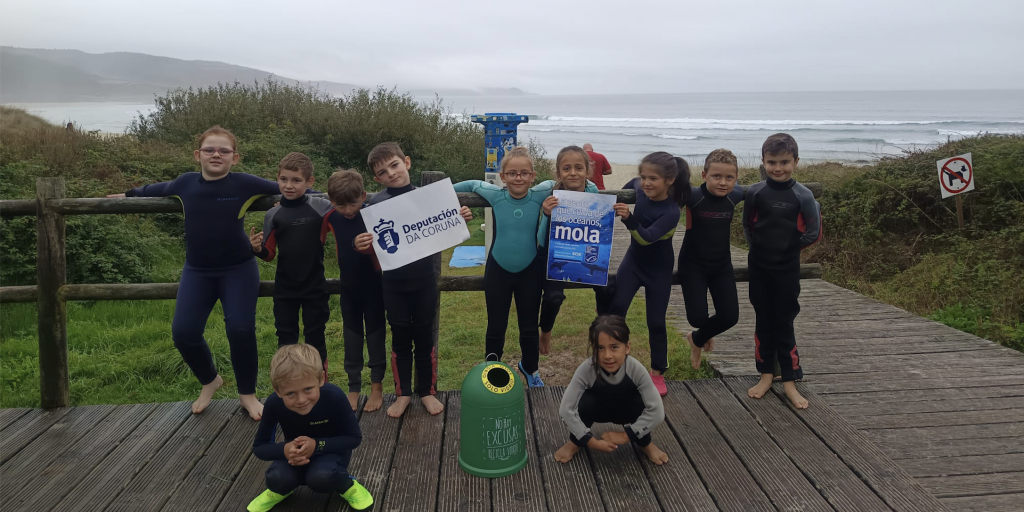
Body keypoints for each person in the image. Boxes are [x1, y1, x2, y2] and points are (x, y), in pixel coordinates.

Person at [108, 125, 280, 421]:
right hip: (198, 270)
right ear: (197, 155)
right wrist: (126, 194)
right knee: (184, 333)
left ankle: (247, 394)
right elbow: (153, 190)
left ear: (235, 158)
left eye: (224, 151)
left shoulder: (244, 184)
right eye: (210, 150)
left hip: (238, 268)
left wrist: (339, 197)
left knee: (240, 329)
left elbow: (292, 188)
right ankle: (210, 380)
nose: (216, 154)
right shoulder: (185, 184)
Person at [357, 142, 472, 418]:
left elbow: (446, 224)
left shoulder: (429, 197)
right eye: (383, 172)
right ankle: (403, 394)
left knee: (424, 337)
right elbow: (373, 246)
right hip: (393, 284)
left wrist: (461, 217)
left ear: (406, 162)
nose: (391, 174)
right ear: (377, 179)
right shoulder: (376, 204)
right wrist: (360, 244)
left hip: (425, 281)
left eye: (394, 165)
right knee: (399, 339)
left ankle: (427, 391)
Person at [453, 147, 552, 387]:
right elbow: (472, 184)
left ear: (532, 176)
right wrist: (439, 193)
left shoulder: (540, 194)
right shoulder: (496, 195)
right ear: (503, 176)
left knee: (529, 327)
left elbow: (563, 182)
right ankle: (492, 369)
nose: (518, 178)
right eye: (512, 173)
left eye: (524, 173)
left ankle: (530, 369)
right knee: (496, 325)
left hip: (530, 271)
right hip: (498, 270)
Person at [743, 133, 821, 409]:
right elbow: (748, 226)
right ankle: (765, 375)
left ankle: (789, 381)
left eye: (785, 162)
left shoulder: (803, 194)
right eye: (772, 162)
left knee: (784, 322)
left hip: (787, 268)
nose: (778, 168)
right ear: (763, 162)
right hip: (760, 267)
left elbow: (813, 230)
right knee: (763, 321)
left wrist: (788, 250)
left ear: (796, 162)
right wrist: (760, 251)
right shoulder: (755, 192)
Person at [247, 344, 372, 512]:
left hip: (330, 452)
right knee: (276, 478)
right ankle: (281, 491)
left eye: (308, 389)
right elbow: (260, 447)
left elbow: (353, 438)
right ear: (277, 390)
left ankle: (347, 485)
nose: (301, 400)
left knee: (322, 478)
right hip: (295, 455)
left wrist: (317, 445)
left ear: (321, 379)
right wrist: (285, 450)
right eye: (290, 393)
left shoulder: (334, 397)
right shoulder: (274, 404)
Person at [609, 152, 690, 396]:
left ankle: (657, 372)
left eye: (653, 178)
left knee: (655, 322)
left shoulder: (671, 211)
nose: (645, 183)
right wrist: (611, 205)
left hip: (658, 270)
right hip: (633, 263)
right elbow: (622, 193)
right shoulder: (638, 188)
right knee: (617, 312)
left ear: (670, 180)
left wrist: (629, 218)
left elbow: (646, 237)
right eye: (643, 177)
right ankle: (614, 363)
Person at [250, 153, 333, 380]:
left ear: (309, 182)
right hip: (285, 289)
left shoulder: (322, 207)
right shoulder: (273, 214)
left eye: (296, 180)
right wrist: (257, 249)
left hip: (314, 287)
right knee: (286, 338)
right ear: (277, 178)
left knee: (315, 337)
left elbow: (347, 217)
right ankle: (286, 385)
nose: (289, 185)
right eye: (284, 179)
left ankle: (320, 385)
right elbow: (269, 254)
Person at [555, 315, 668, 465]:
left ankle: (645, 443)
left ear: (627, 347)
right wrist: (591, 442)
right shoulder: (586, 369)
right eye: (600, 348)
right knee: (584, 401)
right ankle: (576, 442)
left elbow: (657, 411)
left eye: (614, 347)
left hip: (628, 411)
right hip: (597, 410)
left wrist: (625, 436)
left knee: (640, 401)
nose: (607, 356)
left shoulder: (636, 369)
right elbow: (565, 410)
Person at [325, 169, 387, 412]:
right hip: (348, 289)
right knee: (351, 337)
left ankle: (377, 386)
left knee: (375, 336)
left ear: (363, 195)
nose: (349, 210)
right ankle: (353, 388)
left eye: (353, 203)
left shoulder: (374, 214)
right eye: (341, 205)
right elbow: (306, 199)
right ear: (331, 201)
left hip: (374, 287)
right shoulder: (330, 217)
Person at [536, 145, 607, 356]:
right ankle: (546, 331)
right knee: (553, 297)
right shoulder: (550, 192)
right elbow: (541, 240)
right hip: (552, 253)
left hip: (583, 250)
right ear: (559, 173)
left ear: (588, 171)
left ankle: (603, 334)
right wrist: (547, 214)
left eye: (578, 168)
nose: (573, 173)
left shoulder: (593, 191)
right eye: (567, 168)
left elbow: (599, 227)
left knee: (606, 287)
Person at [680, 149, 743, 370]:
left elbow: (766, 191)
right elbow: (657, 188)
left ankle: (696, 339)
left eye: (729, 177)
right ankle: (699, 333)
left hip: (721, 266)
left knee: (730, 317)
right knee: (697, 319)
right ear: (704, 174)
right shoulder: (692, 196)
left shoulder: (735, 196)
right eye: (716, 176)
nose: (723, 183)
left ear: (736, 178)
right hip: (692, 265)